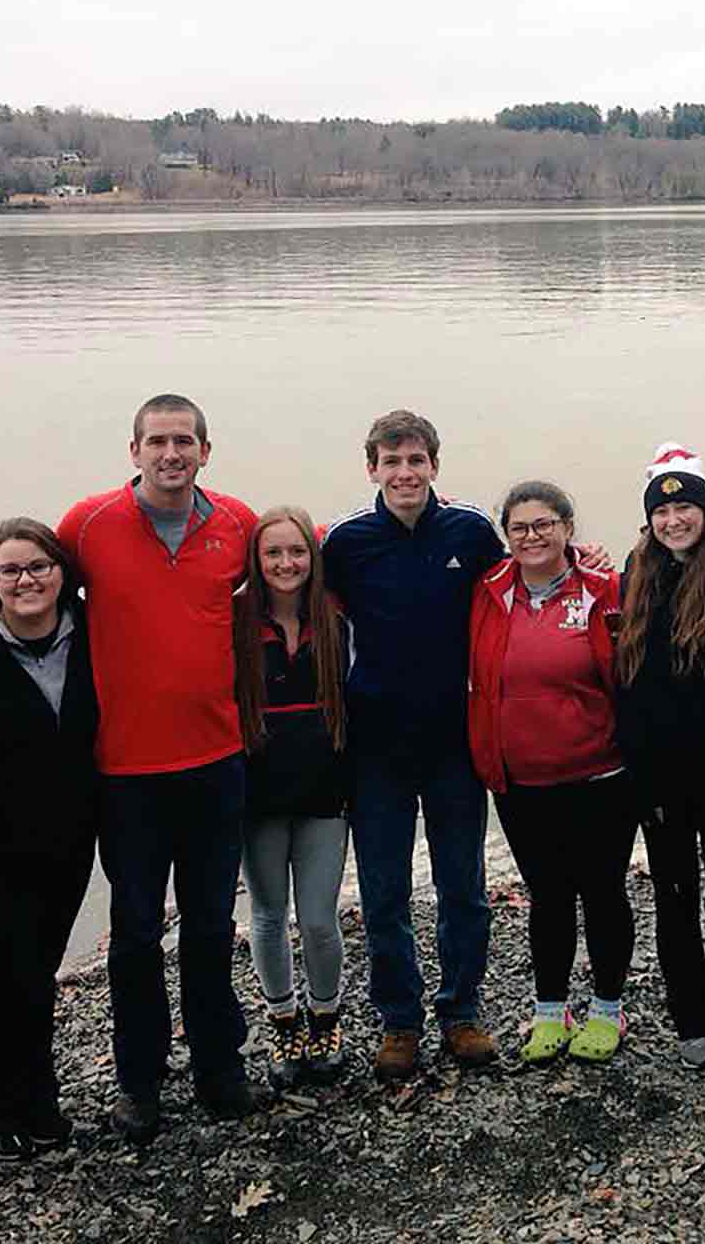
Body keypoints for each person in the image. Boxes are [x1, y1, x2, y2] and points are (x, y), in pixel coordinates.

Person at [45, 393, 260, 1141]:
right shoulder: (89, 524)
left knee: (210, 925)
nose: (172, 454)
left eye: (184, 442)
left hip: (216, 761)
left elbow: (297, 563)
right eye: (158, 442)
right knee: (135, 932)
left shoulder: (236, 523)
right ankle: (139, 1080)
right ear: (134, 450)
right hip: (126, 773)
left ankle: (218, 1067)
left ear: (206, 451)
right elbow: (30, 581)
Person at [320, 411, 506, 1080]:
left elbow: (523, 587)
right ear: (372, 468)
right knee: (384, 894)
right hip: (376, 746)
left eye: (416, 460)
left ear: (434, 465)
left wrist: (587, 559)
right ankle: (399, 1020)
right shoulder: (346, 542)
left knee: (464, 888)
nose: (405, 473)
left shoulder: (471, 532)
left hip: (454, 740)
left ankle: (461, 1012)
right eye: (392, 462)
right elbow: (296, 602)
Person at [0, 519, 98, 1160]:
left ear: (62, 572)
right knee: (11, 978)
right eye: (10, 570)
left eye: (38, 567)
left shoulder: (91, 628)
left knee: (39, 973)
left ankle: (31, 1102)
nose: (26, 580)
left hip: (68, 840)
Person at [467, 481, 634, 1065]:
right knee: (548, 896)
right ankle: (550, 1010)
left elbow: (638, 666)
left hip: (600, 774)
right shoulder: (486, 591)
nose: (532, 536)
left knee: (603, 892)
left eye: (544, 525)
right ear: (506, 536)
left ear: (567, 528)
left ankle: (608, 1009)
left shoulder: (605, 589)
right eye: (519, 528)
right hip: (520, 780)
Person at [615, 444, 705, 1070]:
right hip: (658, 768)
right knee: (674, 895)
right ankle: (690, 1018)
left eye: (686, 508)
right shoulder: (634, 572)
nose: (674, 520)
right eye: (662, 510)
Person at [232, 506, 353, 1090]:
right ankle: (283, 1017)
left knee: (320, 919)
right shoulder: (233, 620)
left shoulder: (336, 615)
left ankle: (326, 1014)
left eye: (297, 551)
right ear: (255, 560)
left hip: (323, 793)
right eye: (273, 553)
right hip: (258, 796)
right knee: (268, 914)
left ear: (314, 556)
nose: (286, 563)